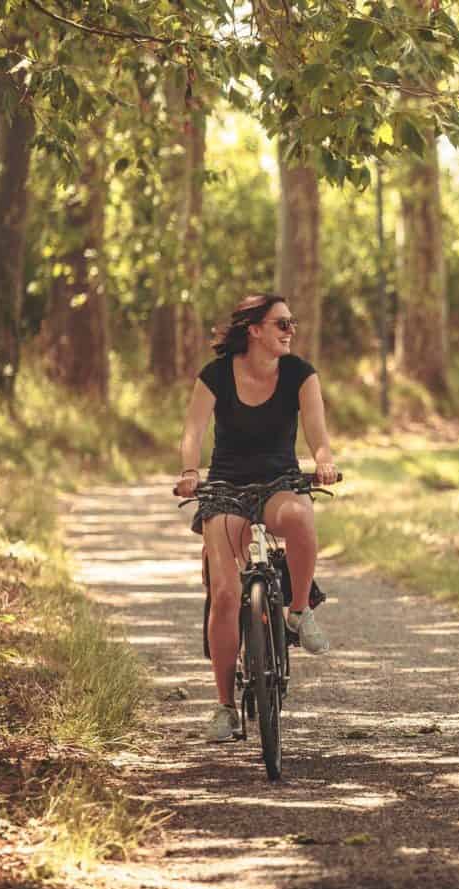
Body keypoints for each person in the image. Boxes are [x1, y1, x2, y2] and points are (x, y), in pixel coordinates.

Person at [174, 294, 338, 742]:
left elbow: (318, 434)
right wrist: (191, 472)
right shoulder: (215, 376)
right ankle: (225, 706)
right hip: (225, 488)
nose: (290, 330)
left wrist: (324, 461)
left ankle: (298, 613)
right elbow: (193, 432)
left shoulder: (301, 375)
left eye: (292, 322)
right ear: (255, 331)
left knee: (301, 520)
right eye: (281, 323)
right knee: (226, 594)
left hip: (278, 482)